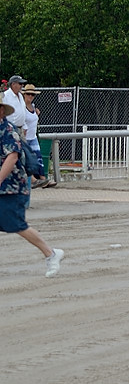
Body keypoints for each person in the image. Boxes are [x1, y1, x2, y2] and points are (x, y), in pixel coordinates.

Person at [0, 100, 63, 277]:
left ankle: (51, 254)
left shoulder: (8, 131)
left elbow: (12, 158)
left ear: (1, 111)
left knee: (17, 225)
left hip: (11, 188)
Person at [16, 83, 47, 187]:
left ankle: (43, 179)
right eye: (28, 94)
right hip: (25, 137)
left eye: (32, 95)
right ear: (24, 95)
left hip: (33, 136)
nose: (30, 96)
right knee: (27, 158)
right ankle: (33, 179)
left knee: (38, 157)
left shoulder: (33, 107)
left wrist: (37, 113)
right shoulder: (22, 107)